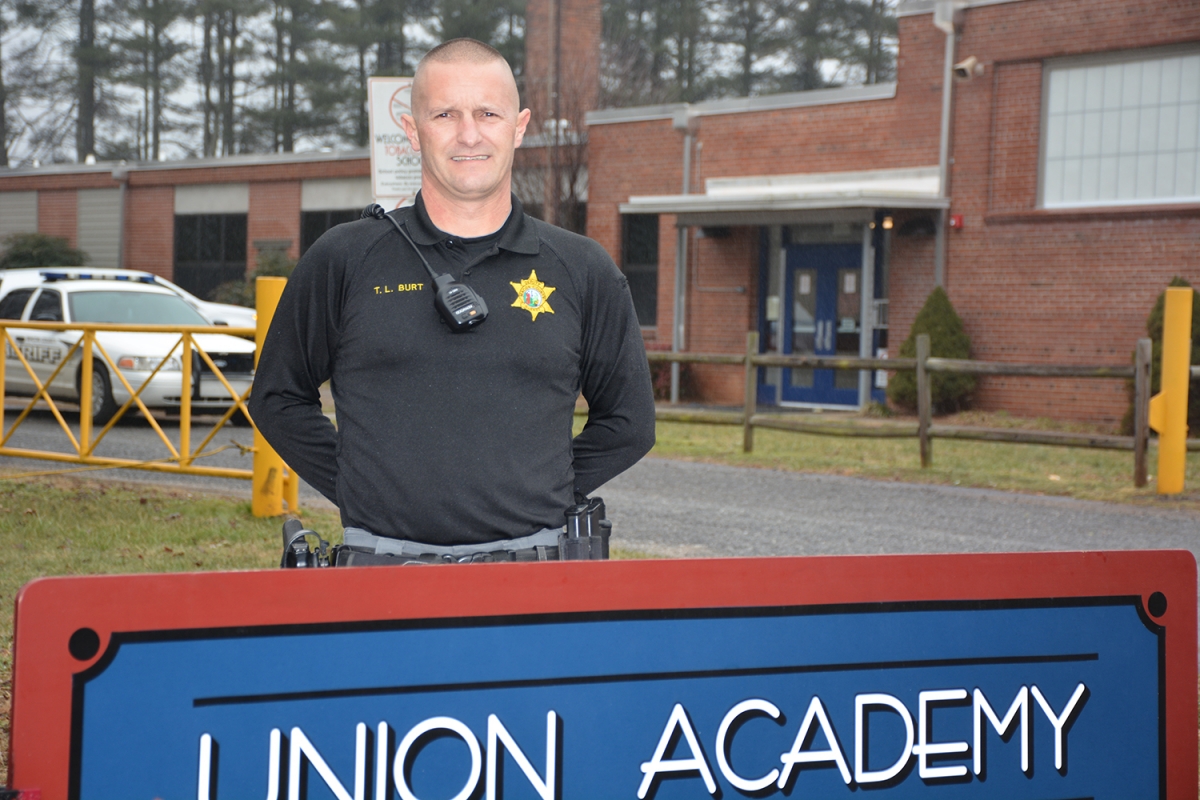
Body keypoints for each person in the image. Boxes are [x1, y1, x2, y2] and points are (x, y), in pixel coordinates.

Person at [249, 38, 656, 561]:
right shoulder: (344, 259)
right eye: (445, 114)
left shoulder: (581, 269)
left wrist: (543, 492)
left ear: (520, 125)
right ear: (413, 131)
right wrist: (356, 482)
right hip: (378, 573)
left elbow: (630, 422)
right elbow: (277, 396)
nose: (469, 134)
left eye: (489, 113)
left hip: (535, 578)